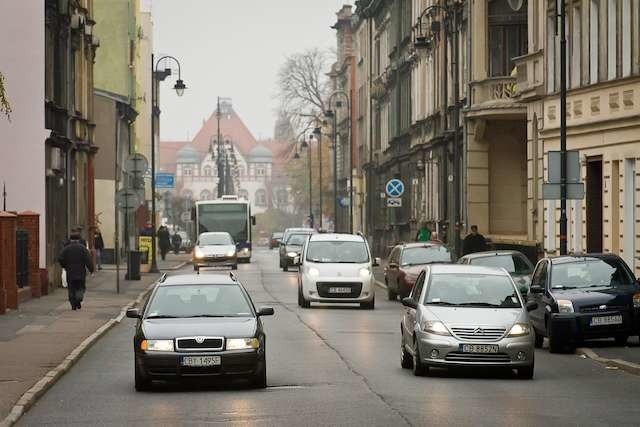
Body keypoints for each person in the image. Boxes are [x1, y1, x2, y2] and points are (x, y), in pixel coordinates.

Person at [58, 230, 94, 310]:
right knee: (80, 287)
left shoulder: (66, 249)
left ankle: (73, 304)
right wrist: (91, 269)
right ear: (79, 240)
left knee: (71, 288)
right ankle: (78, 299)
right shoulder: (83, 249)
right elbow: (88, 260)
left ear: (70, 240)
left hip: (70, 271)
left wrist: (64, 266)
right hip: (81, 272)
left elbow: (60, 258)